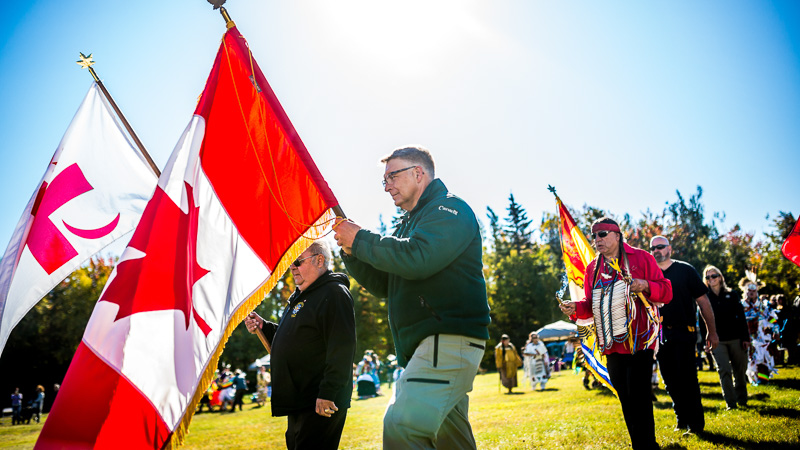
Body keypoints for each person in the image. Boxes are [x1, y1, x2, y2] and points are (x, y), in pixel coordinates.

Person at [333, 146, 490, 449]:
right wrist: (352, 252)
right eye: (384, 180)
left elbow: (419, 257)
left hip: (447, 341)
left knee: (401, 426)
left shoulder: (449, 209)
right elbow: (386, 284)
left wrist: (361, 238)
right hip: (430, 346)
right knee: (451, 441)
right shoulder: (409, 223)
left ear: (419, 173)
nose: (387, 185)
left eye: (393, 176)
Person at [560, 217, 672, 450]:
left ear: (617, 235)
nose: (596, 240)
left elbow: (667, 292)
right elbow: (591, 304)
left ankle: (647, 445)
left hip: (640, 340)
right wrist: (575, 308)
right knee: (625, 396)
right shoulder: (592, 268)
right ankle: (639, 444)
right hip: (611, 343)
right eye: (594, 236)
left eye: (602, 234)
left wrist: (645, 285)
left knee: (639, 394)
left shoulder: (641, 258)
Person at [245, 240, 356, 450]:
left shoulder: (334, 293)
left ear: (319, 260)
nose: (292, 268)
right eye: (290, 262)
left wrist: (328, 393)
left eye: (297, 261)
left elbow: (342, 347)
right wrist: (264, 327)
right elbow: (296, 338)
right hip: (301, 399)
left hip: (320, 400)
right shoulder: (301, 296)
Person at [650, 235, 718, 435]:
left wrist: (711, 332)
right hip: (659, 336)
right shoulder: (649, 273)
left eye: (660, 247)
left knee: (687, 379)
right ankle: (681, 419)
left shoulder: (685, 270)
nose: (656, 251)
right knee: (669, 380)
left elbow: (704, 302)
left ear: (669, 249)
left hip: (684, 333)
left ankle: (696, 425)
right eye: (653, 248)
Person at [703, 265, 750, 410]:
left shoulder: (732, 294)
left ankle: (742, 399)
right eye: (708, 277)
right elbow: (701, 319)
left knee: (740, 370)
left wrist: (745, 338)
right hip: (717, 340)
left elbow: (741, 317)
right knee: (724, 370)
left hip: (736, 337)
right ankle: (731, 403)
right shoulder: (704, 297)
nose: (711, 279)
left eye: (714, 276)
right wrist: (705, 342)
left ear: (720, 277)